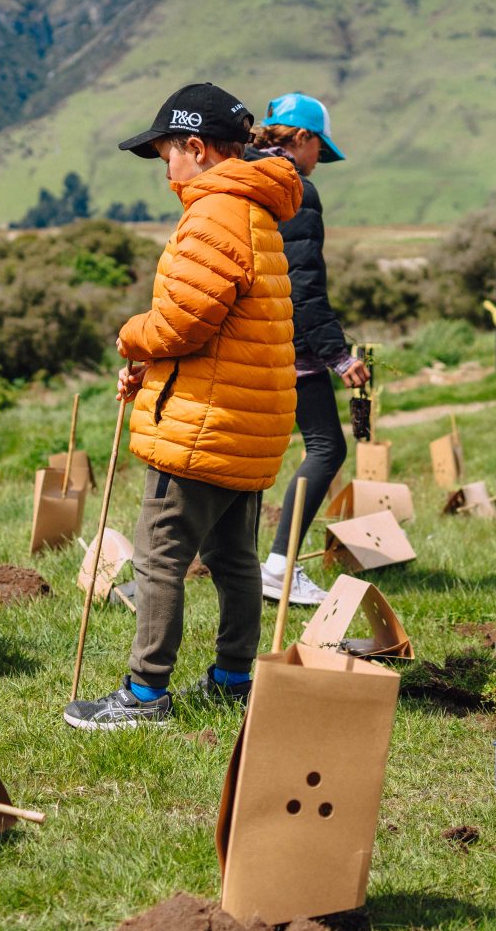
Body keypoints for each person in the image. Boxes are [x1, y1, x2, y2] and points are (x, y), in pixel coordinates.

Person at [63, 82, 302, 729]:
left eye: (167, 152)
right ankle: (232, 676)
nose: (165, 168)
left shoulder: (215, 212)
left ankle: (145, 694)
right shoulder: (254, 211)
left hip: (205, 426)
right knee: (233, 557)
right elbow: (220, 331)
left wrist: (132, 336)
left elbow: (183, 321)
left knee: (160, 554)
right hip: (244, 421)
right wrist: (158, 368)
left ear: (196, 147)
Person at [247, 93, 372, 606]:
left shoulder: (242, 177)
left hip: (246, 339)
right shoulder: (295, 189)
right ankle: (279, 567)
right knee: (327, 448)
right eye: (320, 146)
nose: (320, 159)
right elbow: (302, 282)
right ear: (301, 138)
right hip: (287, 344)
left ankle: (238, 561)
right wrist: (339, 356)